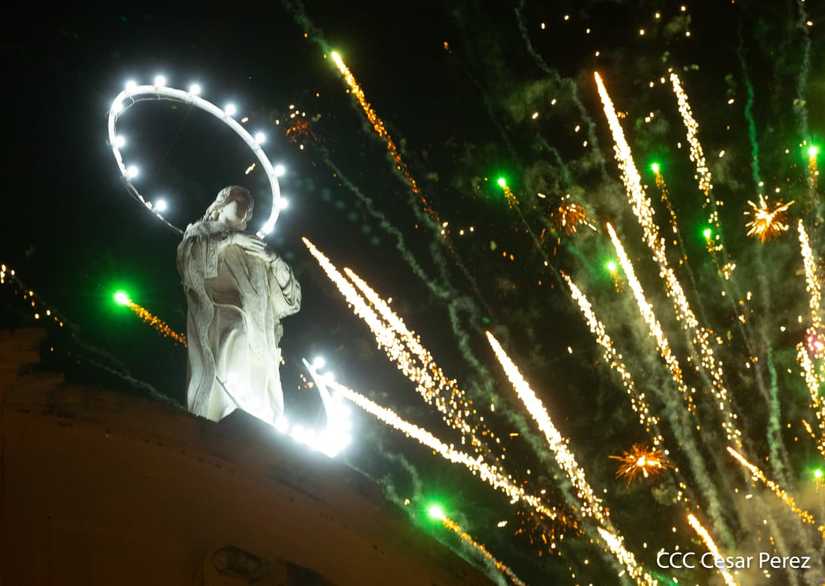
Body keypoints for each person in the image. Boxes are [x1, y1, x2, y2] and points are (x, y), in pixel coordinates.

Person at [176, 186, 301, 424]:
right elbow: (192, 266)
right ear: (221, 203)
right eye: (239, 199)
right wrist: (231, 239)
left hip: (259, 327)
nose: (245, 206)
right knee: (237, 332)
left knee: (258, 369)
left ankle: (253, 422)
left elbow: (289, 302)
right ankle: (224, 412)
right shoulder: (200, 232)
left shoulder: (255, 247)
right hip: (221, 316)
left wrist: (274, 260)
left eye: (249, 205)